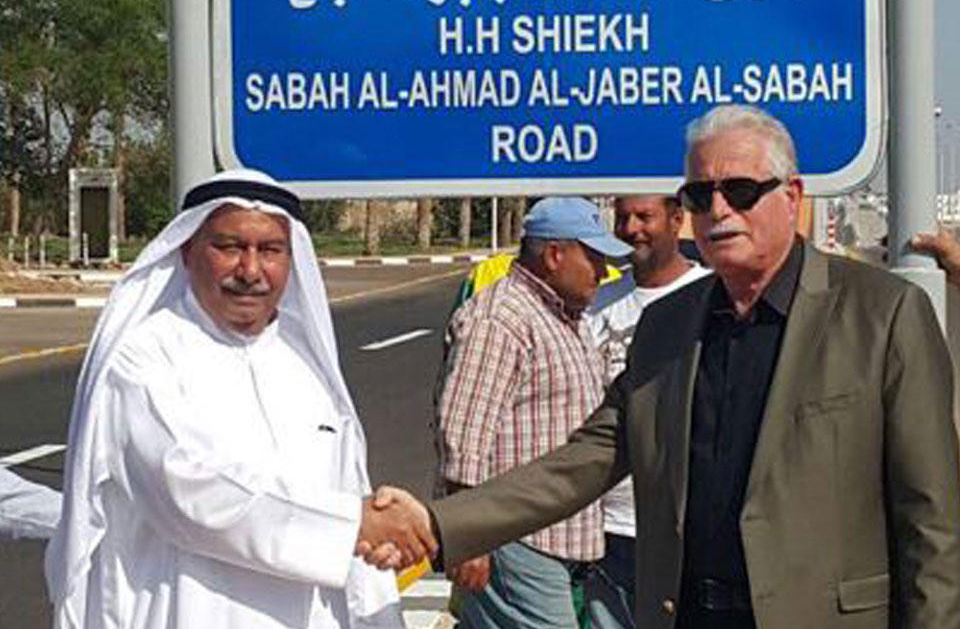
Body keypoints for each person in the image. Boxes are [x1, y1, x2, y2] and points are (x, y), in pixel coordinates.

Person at [365, 105, 960, 629]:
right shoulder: (669, 326)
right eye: (700, 196)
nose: (719, 210)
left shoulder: (882, 315)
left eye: (741, 191)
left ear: (792, 196)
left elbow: (932, 521)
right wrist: (438, 523)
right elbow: (582, 462)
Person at [46, 168, 410, 629]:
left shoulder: (307, 362)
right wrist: (351, 526)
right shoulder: (143, 357)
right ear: (187, 251)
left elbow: (348, 492)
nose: (250, 271)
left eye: (270, 250)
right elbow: (187, 490)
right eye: (230, 247)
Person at [436, 197, 631, 629]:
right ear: (555, 255)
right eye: (594, 258)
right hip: (515, 538)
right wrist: (469, 538)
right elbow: (463, 434)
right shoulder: (501, 319)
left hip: (553, 538)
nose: (603, 272)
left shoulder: (563, 317)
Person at [582, 196, 708, 629]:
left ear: (676, 220)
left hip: (683, 529)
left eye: (644, 217)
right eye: (622, 218)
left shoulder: (708, 298)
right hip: (608, 529)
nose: (631, 228)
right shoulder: (598, 304)